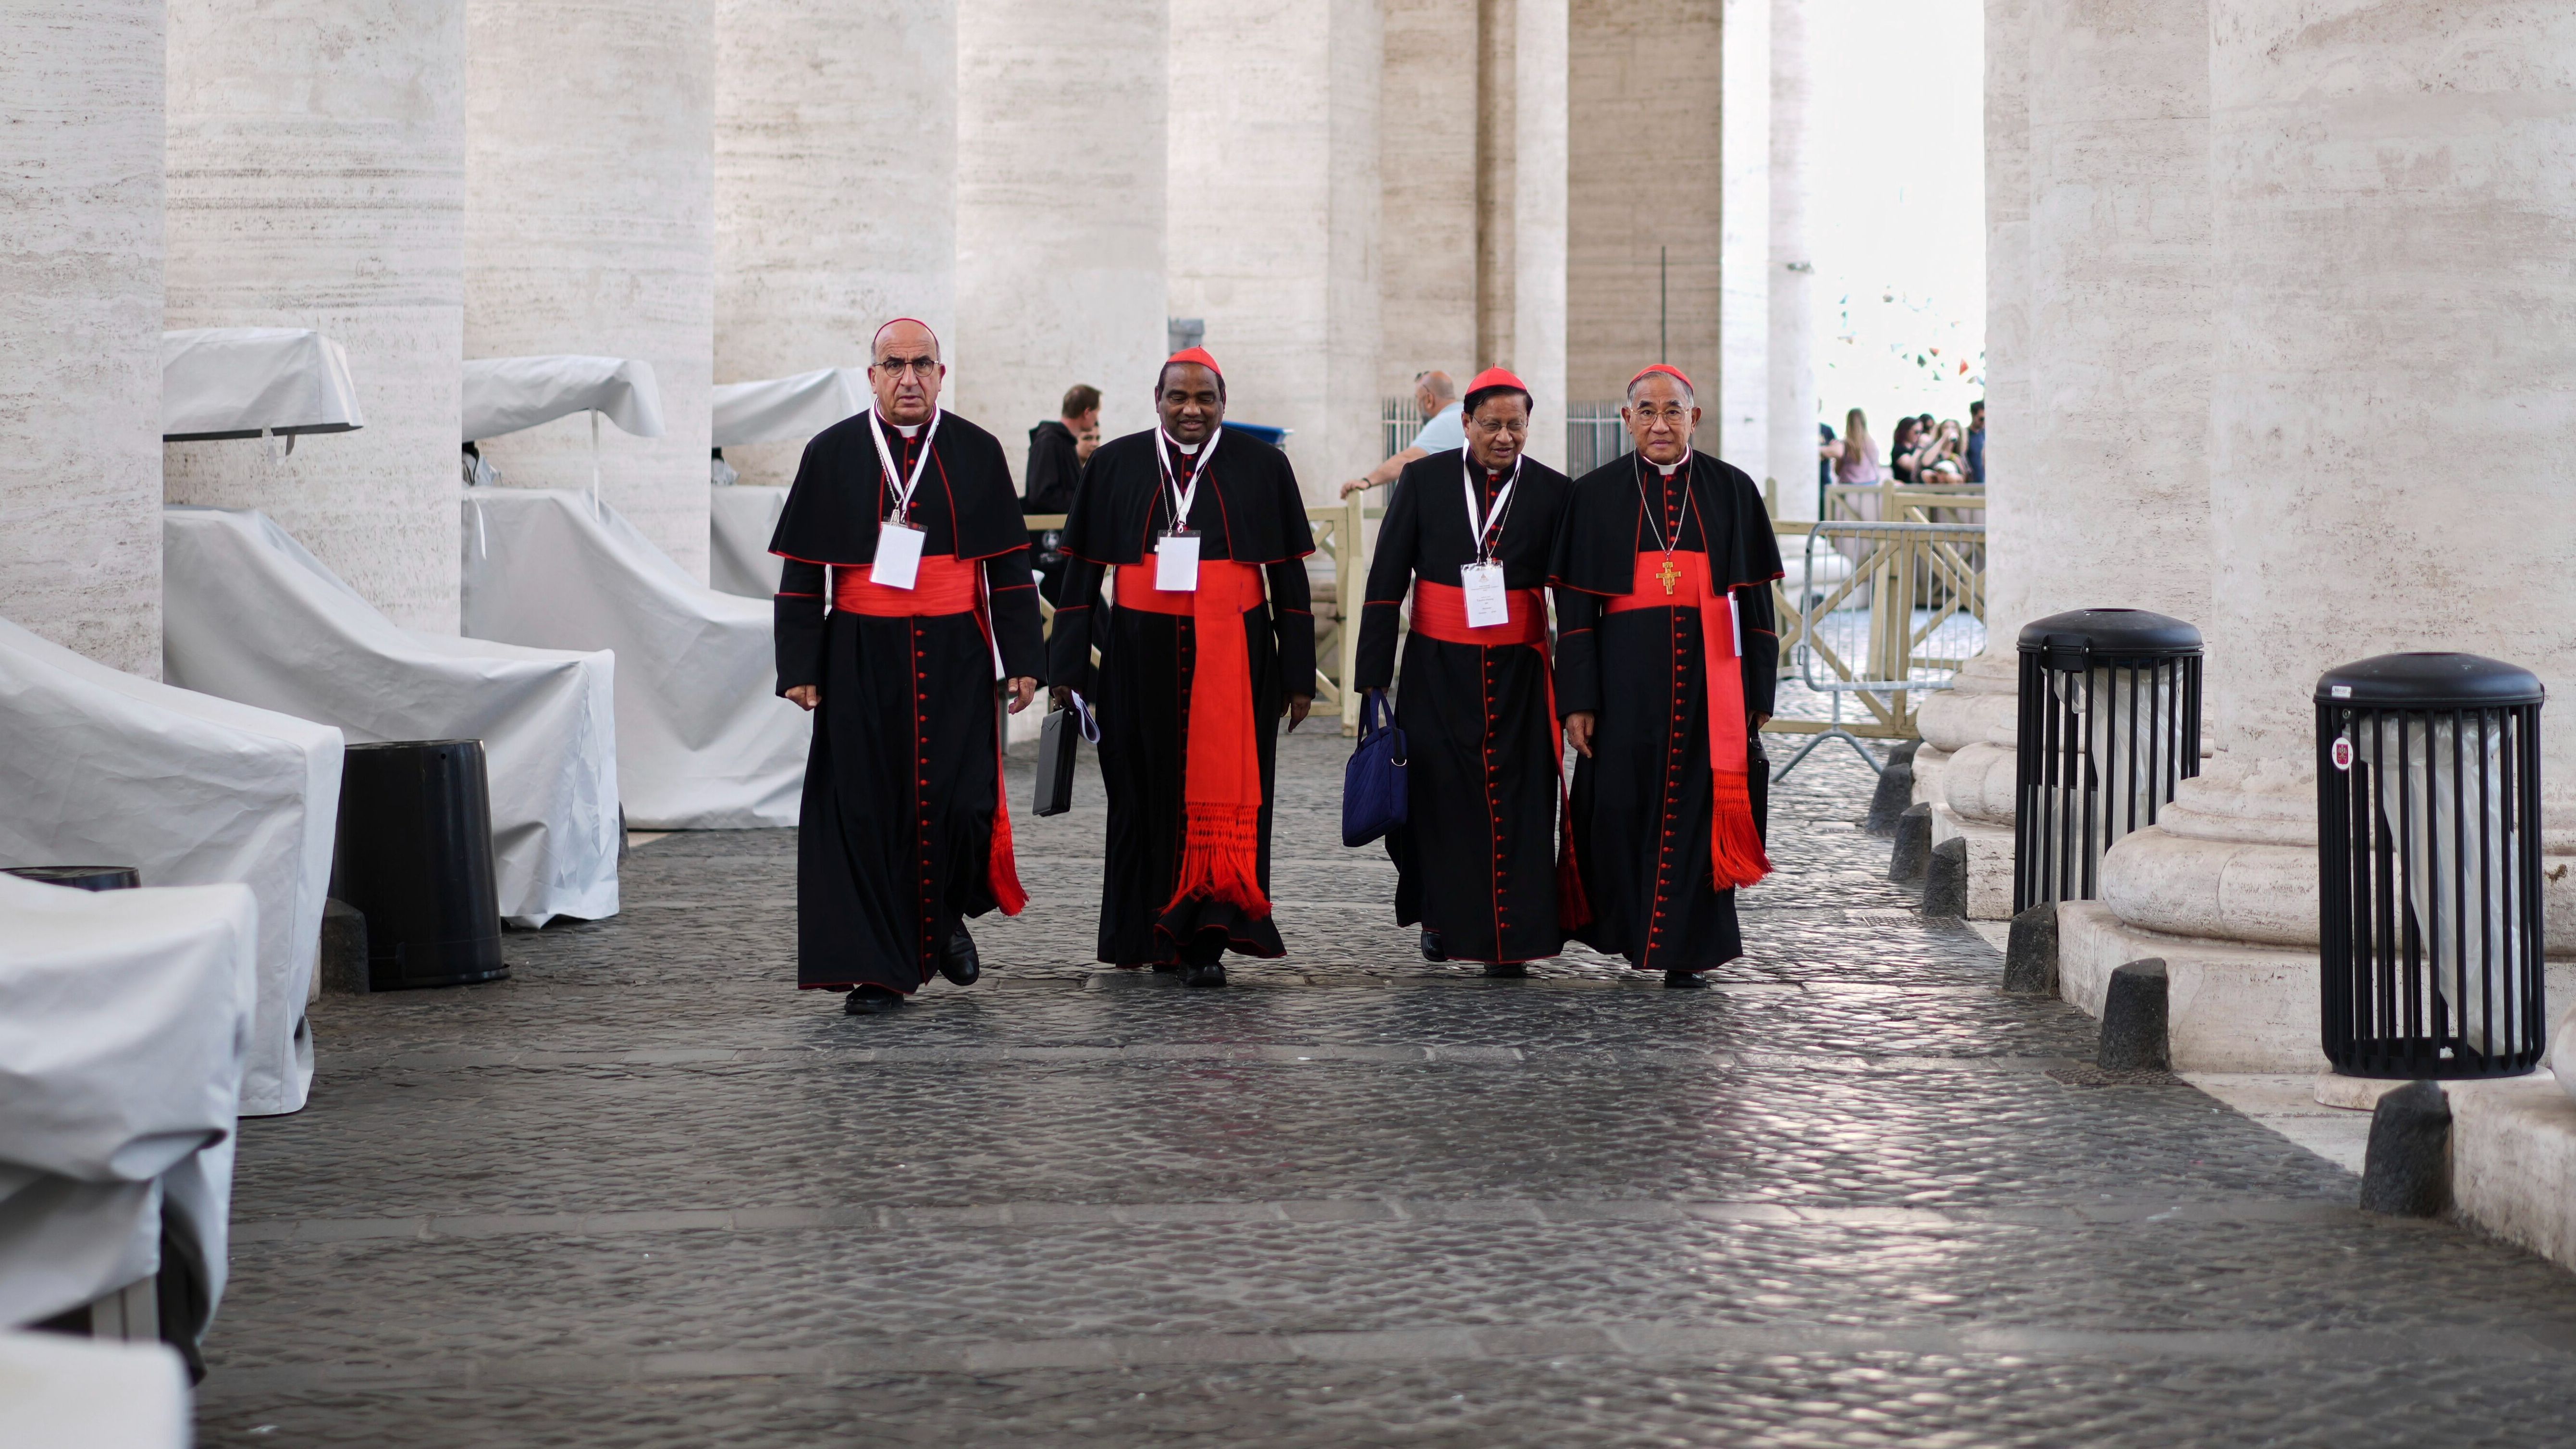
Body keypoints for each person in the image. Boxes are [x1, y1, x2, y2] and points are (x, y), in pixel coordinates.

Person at [768, 318, 1046, 1016]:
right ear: (872, 377)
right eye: (894, 365)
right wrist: (799, 663)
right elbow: (804, 573)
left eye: (923, 364)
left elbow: (1008, 566)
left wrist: (1022, 659)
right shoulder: (831, 452)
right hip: (860, 647)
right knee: (864, 808)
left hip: (957, 647)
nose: (909, 379)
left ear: (942, 375)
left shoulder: (977, 451)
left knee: (962, 801)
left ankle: (946, 914)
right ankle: (876, 968)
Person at [1046, 348, 1316, 987]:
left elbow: (1290, 579)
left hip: (1239, 652)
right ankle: (1143, 928)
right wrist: (1067, 669)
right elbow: (1081, 574)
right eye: (1178, 397)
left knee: (1222, 798)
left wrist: (1299, 674)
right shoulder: (1115, 463)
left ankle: (1207, 935)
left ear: (1224, 401)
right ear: (1156, 399)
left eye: (1205, 398)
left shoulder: (1263, 466)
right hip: (1139, 652)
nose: (1191, 410)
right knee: (1139, 793)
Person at [1551, 364, 1782, 987]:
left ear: (1693, 417)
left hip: (1714, 687)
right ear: (1626, 420)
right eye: (1646, 412)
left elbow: (1755, 601)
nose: (1660, 423)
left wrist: (1760, 689)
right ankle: (1633, 932)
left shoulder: (1732, 490)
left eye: (1672, 411)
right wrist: (1577, 698)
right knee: (1621, 808)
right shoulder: (1593, 494)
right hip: (1624, 686)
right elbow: (1573, 609)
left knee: (1700, 812)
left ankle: (1688, 949)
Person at [1353, 367, 1577, 976]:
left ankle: (1514, 936)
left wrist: (1579, 689)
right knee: (1438, 801)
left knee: (1522, 803)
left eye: (1516, 426)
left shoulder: (1555, 492)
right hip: (1436, 667)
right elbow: (1386, 581)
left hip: (1522, 675)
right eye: (1491, 425)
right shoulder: (1424, 481)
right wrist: (1372, 676)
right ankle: (1441, 918)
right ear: (1465, 424)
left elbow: (1575, 602)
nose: (1503, 437)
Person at [1023, 384, 1101, 603]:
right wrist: (1082, 504)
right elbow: (1040, 494)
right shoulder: (1050, 441)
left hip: (1064, 549)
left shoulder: (1062, 442)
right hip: (1050, 550)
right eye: (1096, 413)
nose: (1095, 419)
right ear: (1087, 412)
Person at [1339, 371, 1464, 497]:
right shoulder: (1468, 415)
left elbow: (1407, 459)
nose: (1417, 407)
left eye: (1418, 399)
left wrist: (1367, 481)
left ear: (1429, 400)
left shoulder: (1442, 423)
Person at [1965, 399, 1985, 483]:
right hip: (1972, 483)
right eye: (1982, 419)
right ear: (1973, 415)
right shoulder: (1966, 435)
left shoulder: (1987, 435)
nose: (1984, 422)